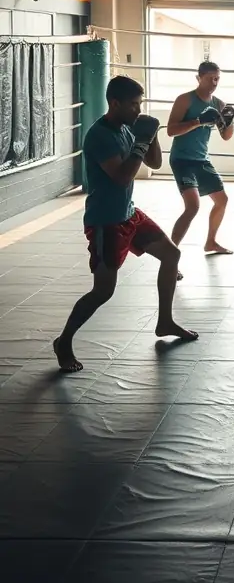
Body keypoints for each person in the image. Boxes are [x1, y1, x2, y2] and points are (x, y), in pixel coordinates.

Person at [54, 75, 197, 373]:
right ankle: (64, 341)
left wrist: (152, 134)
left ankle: (165, 321)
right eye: (133, 105)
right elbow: (121, 177)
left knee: (172, 255)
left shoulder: (127, 127)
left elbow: (155, 164)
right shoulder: (100, 136)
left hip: (129, 214)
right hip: (106, 221)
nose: (137, 109)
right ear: (115, 103)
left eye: (140, 104)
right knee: (103, 291)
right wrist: (141, 140)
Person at [167, 61, 234, 261]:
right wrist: (198, 121)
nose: (214, 83)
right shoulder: (185, 100)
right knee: (193, 207)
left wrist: (229, 122)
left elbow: (226, 136)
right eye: (210, 78)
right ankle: (170, 254)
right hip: (182, 159)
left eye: (217, 78)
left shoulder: (218, 104)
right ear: (199, 78)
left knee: (222, 201)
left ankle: (211, 242)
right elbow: (171, 130)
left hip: (201, 160)